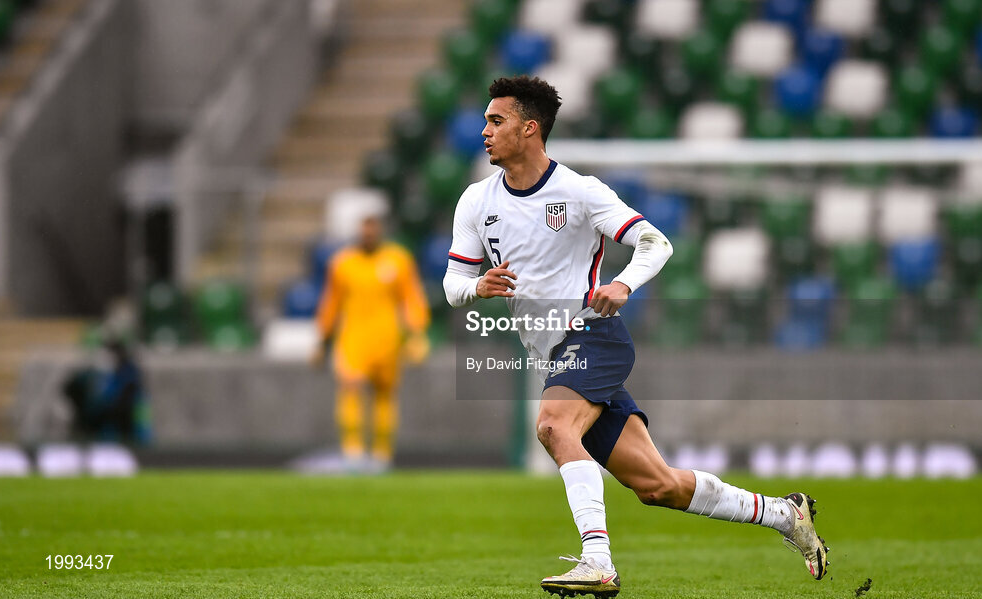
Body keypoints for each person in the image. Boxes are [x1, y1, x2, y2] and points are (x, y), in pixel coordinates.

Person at [443, 76, 829, 597]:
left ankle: (597, 561)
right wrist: (476, 287)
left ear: (529, 128)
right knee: (658, 485)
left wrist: (624, 282)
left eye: (496, 120)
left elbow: (656, 242)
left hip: (593, 335)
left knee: (555, 427)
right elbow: (451, 286)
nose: (484, 131)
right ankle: (785, 514)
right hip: (552, 351)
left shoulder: (579, 191)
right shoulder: (475, 201)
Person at [315, 204, 430, 472]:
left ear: (380, 229)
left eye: (372, 226)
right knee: (350, 388)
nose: (368, 232)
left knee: (385, 394)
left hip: (387, 338)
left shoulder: (398, 260)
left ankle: (381, 455)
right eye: (363, 226)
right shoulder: (342, 263)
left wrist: (416, 333)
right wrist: (322, 339)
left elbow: (411, 299)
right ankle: (352, 452)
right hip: (353, 337)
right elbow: (330, 304)